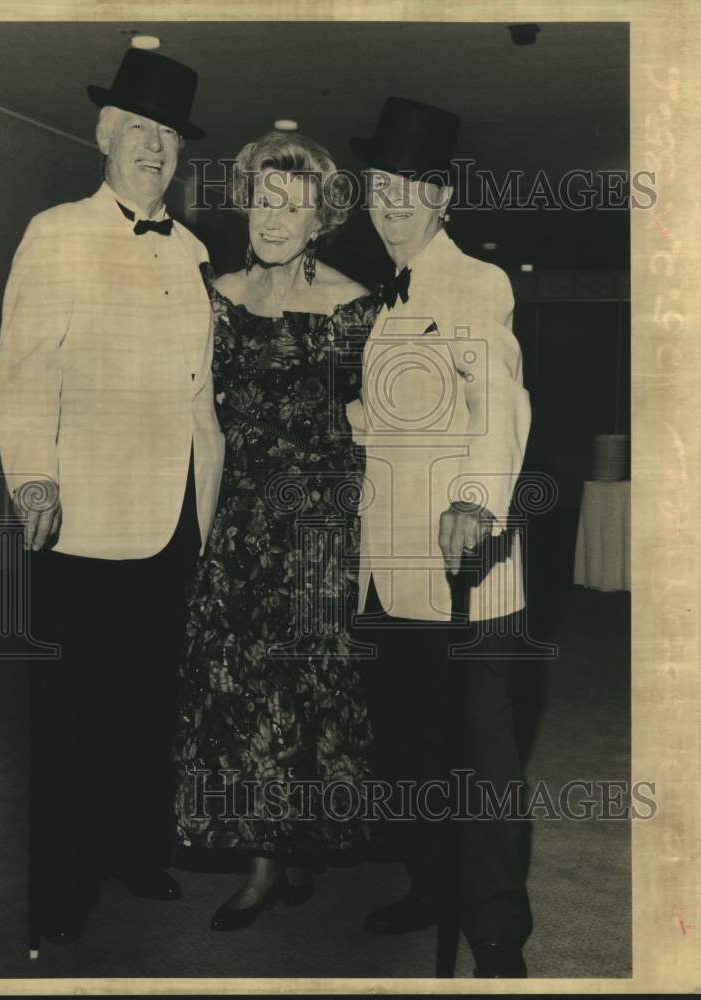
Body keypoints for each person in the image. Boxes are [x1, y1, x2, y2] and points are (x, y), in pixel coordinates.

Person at [0, 48, 225, 946]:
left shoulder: (199, 251)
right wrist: (34, 478)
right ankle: (57, 893)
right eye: (139, 131)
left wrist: (215, 512)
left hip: (174, 519)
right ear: (105, 137)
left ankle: (134, 849)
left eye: (168, 135)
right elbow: (23, 370)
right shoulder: (56, 233)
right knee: (68, 718)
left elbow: (202, 398)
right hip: (82, 517)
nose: (155, 149)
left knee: (147, 705)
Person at [171, 129, 380, 931]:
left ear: (318, 218)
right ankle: (265, 860)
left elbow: (372, 422)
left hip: (321, 520)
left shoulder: (354, 303)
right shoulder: (215, 295)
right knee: (243, 687)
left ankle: (289, 847)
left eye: (291, 205)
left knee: (306, 687)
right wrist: (206, 532)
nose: (272, 216)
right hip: (244, 516)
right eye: (263, 198)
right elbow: (205, 422)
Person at [347, 97, 533, 977]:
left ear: (443, 198)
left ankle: (495, 927)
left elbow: (497, 404)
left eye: (410, 187)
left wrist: (475, 501)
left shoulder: (474, 284)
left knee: (480, 762)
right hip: (387, 574)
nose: (390, 202)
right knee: (413, 749)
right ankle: (430, 884)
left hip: (463, 566)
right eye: (380, 184)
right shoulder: (382, 298)